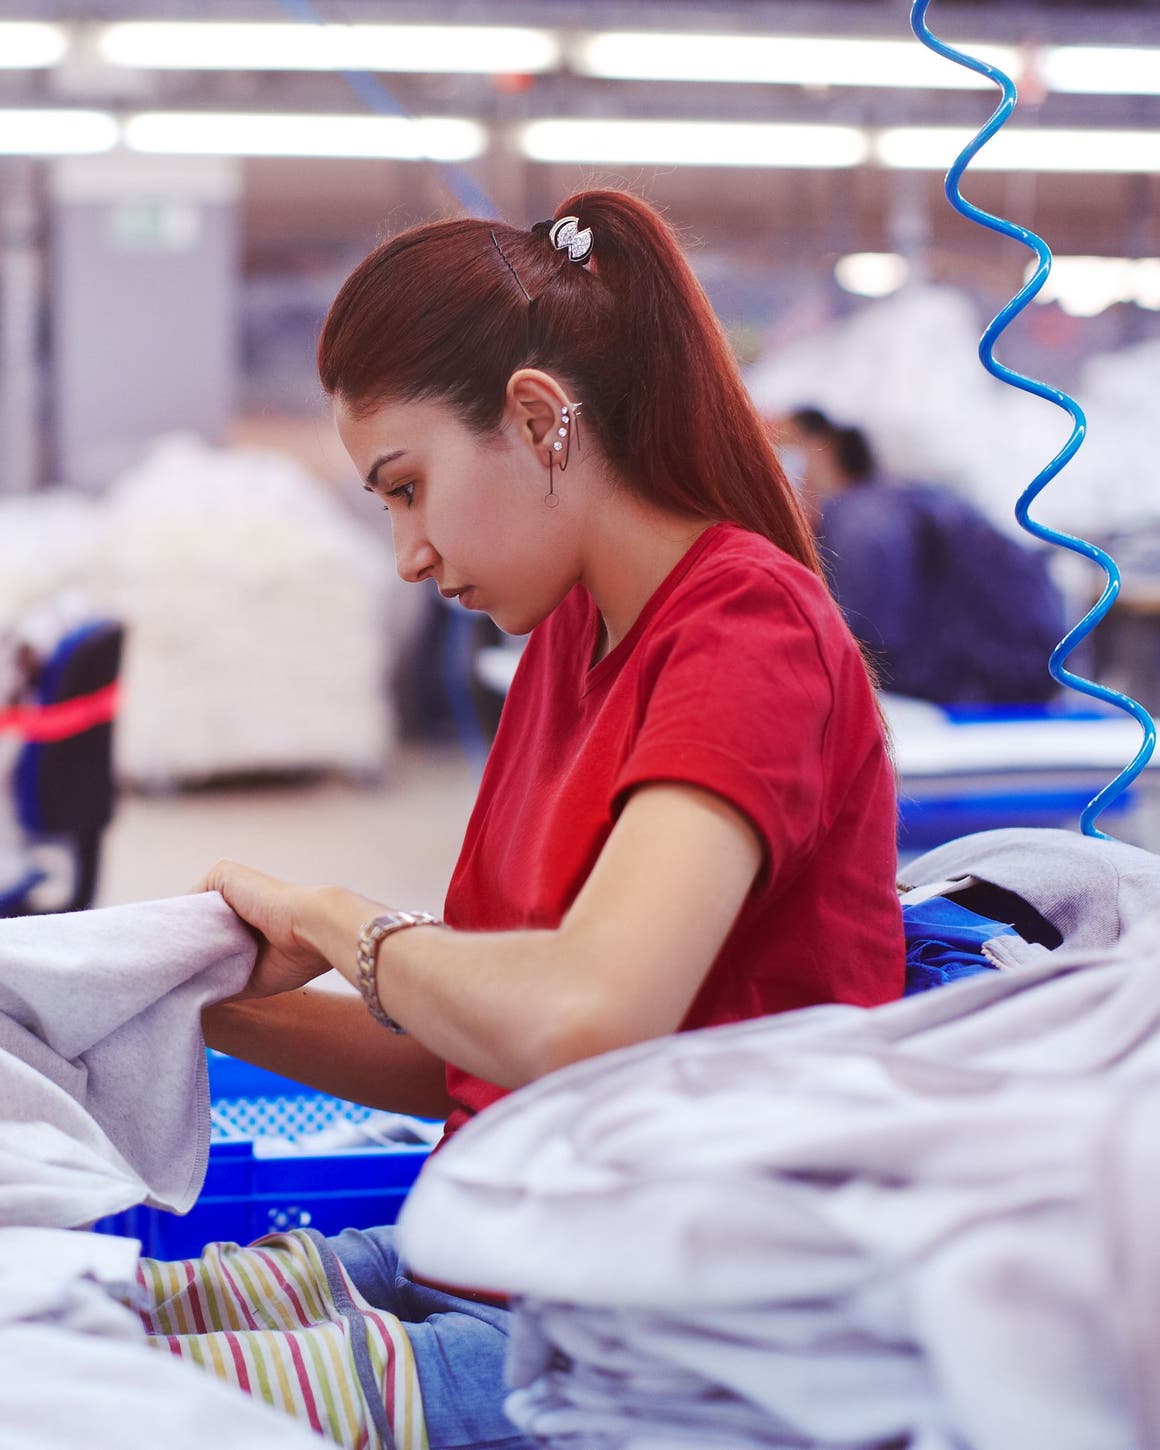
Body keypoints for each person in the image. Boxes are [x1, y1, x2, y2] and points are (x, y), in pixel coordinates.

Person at [176, 194, 904, 1449]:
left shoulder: (745, 628)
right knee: (66, 1320)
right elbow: (481, 1050)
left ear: (532, 416)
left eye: (408, 489)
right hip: (493, 1249)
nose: (407, 552)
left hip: (658, 1334)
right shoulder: (567, 642)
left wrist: (337, 920)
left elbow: (581, 1018)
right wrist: (184, 999)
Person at [777, 406, 1067, 705]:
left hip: (978, 693)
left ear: (825, 451)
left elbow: (865, 643)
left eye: (784, 453)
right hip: (1007, 678)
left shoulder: (860, 519)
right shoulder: (887, 502)